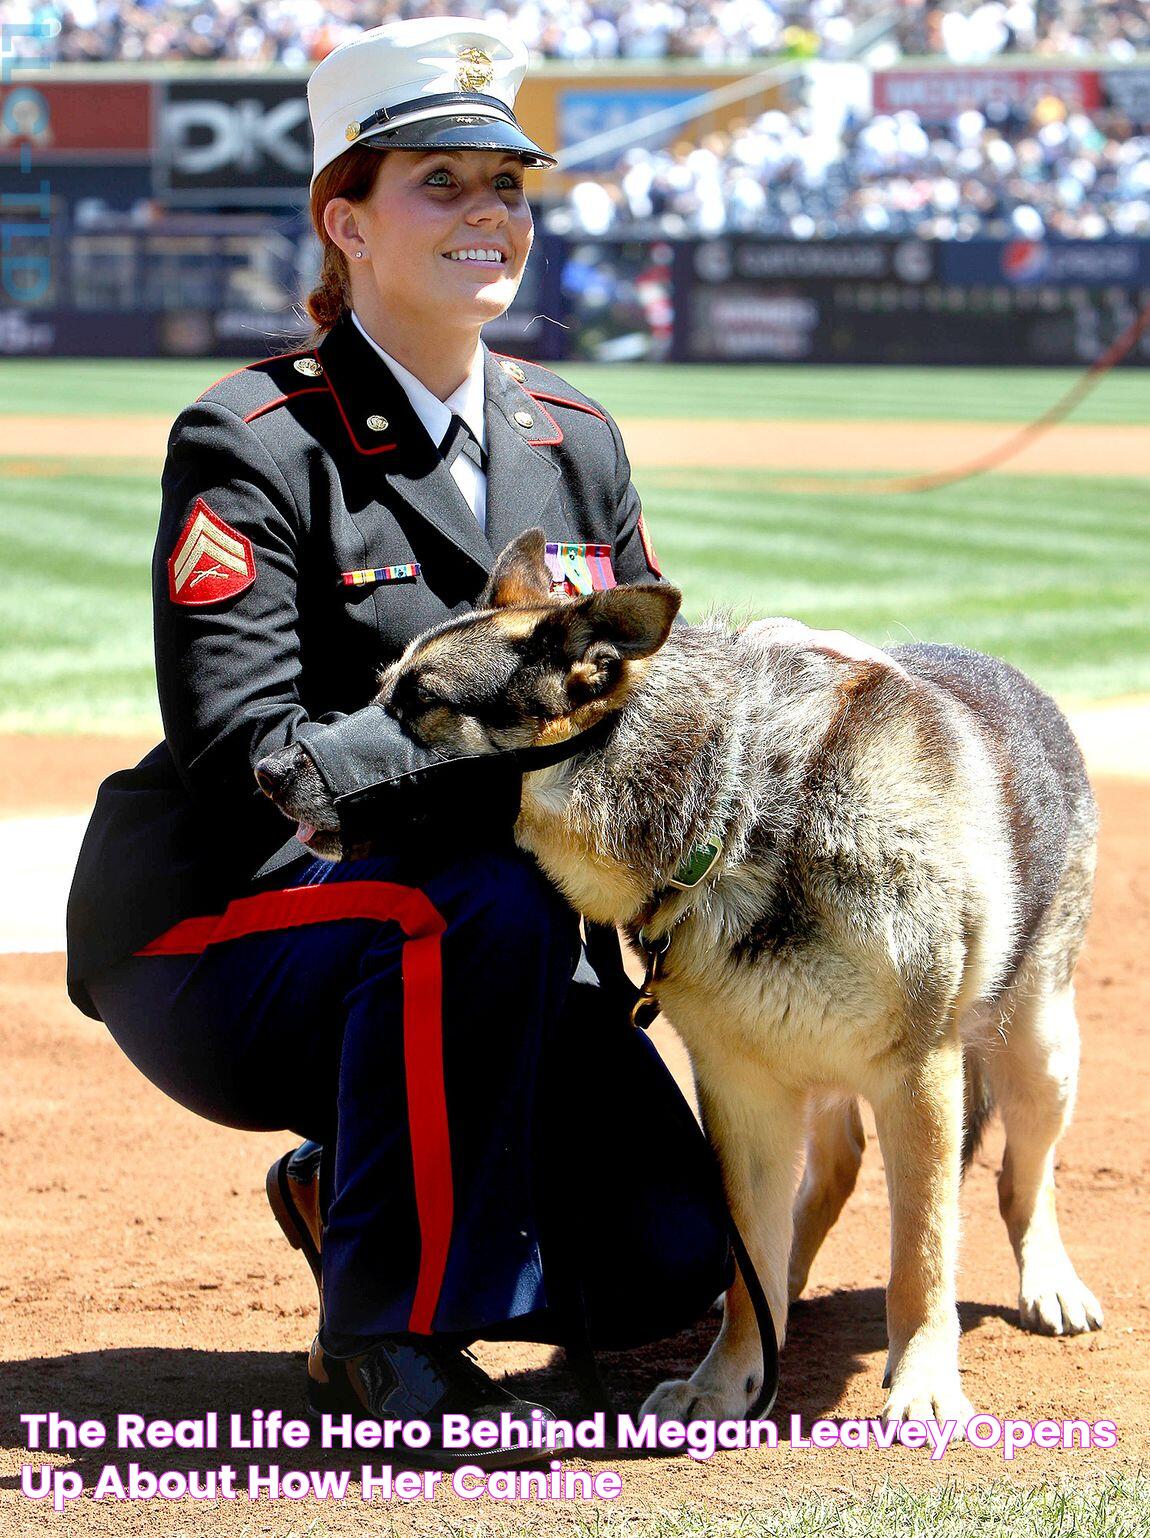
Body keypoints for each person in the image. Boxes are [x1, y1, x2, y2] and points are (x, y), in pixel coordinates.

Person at [66, 17, 704, 1466]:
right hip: (231, 928)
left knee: (665, 1267)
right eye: (441, 182)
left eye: (507, 186)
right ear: (345, 220)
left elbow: (641, 701)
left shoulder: (574, 436)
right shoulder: (255, 440)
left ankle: (341, 1180)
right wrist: (504, 735)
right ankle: (385, 1324)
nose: (488, 214)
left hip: (496, 942)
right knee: (456, 896)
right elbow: (250, 751)